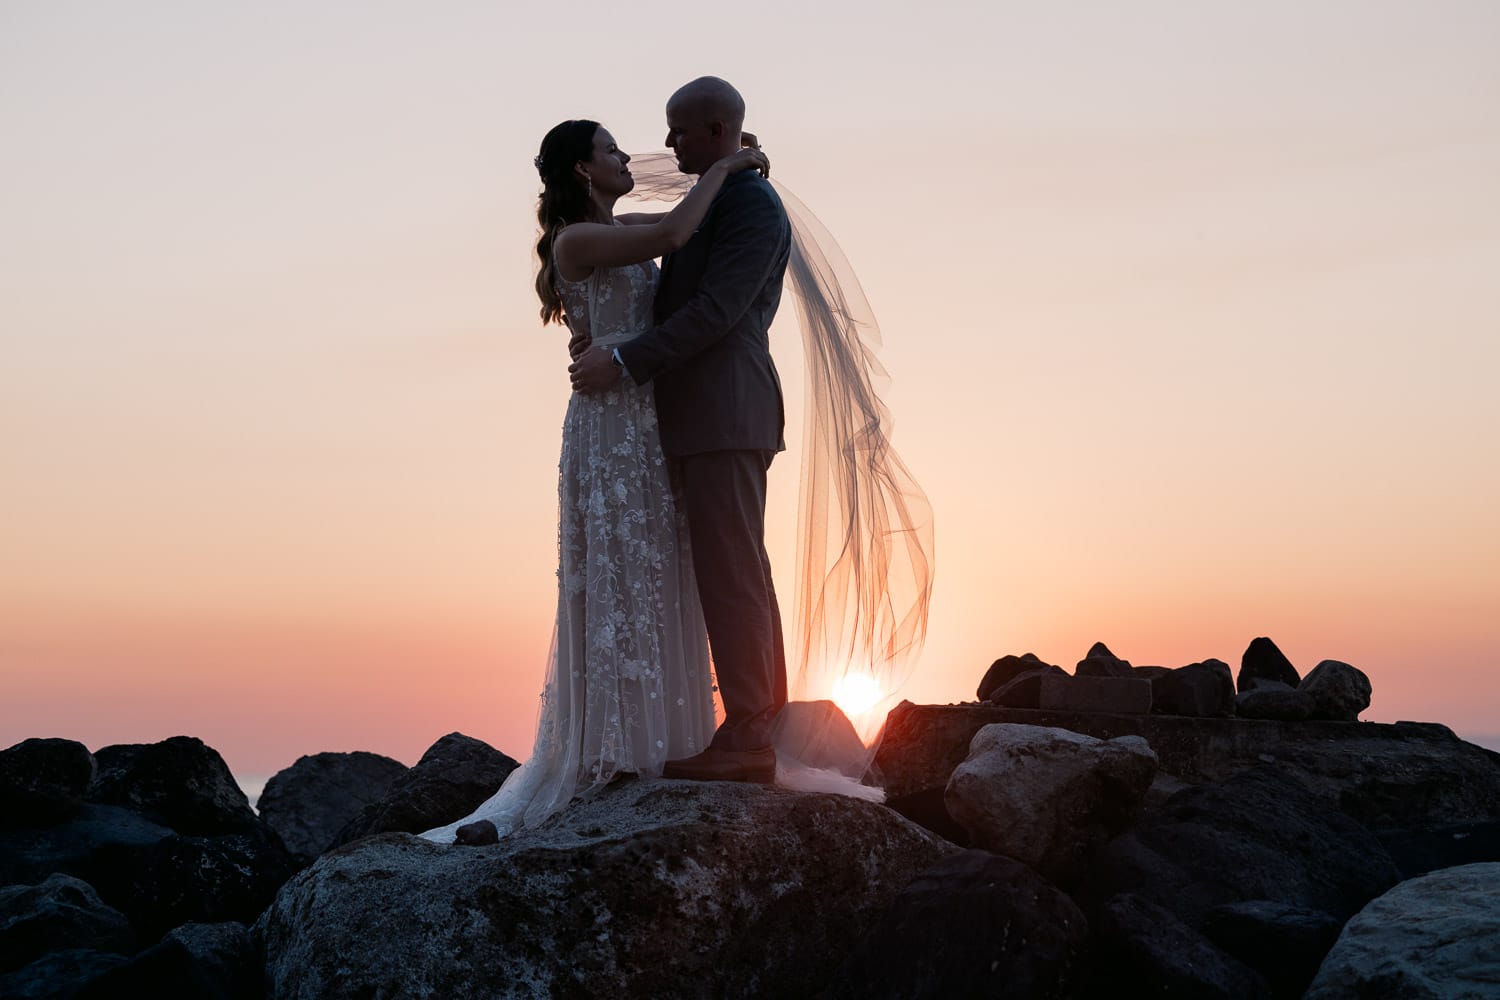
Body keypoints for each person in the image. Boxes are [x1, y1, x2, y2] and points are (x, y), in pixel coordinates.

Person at [418, 118, 769, 843]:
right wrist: (727, 166)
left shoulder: (621, 225)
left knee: (660, 570)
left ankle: (664, 740)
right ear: (583, 170)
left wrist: (729, 168)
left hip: (648, 419)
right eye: (611, 149)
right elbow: (674, 236)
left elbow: (681, 228)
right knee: (616, 575)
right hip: (609, 426)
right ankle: (610, 751)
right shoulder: (577, 241)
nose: (627, 155)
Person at [569, 77, 792, 784]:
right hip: (699, 415)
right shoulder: (716, 200)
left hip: (726, 410)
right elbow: (662, 253)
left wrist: (627, 358)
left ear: (718, 131)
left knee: (733, 574)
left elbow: (718, 312)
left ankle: (753, 733)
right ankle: (757, 723)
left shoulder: (749, 204)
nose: (666, 145)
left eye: (680, 132)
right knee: (733, 569)